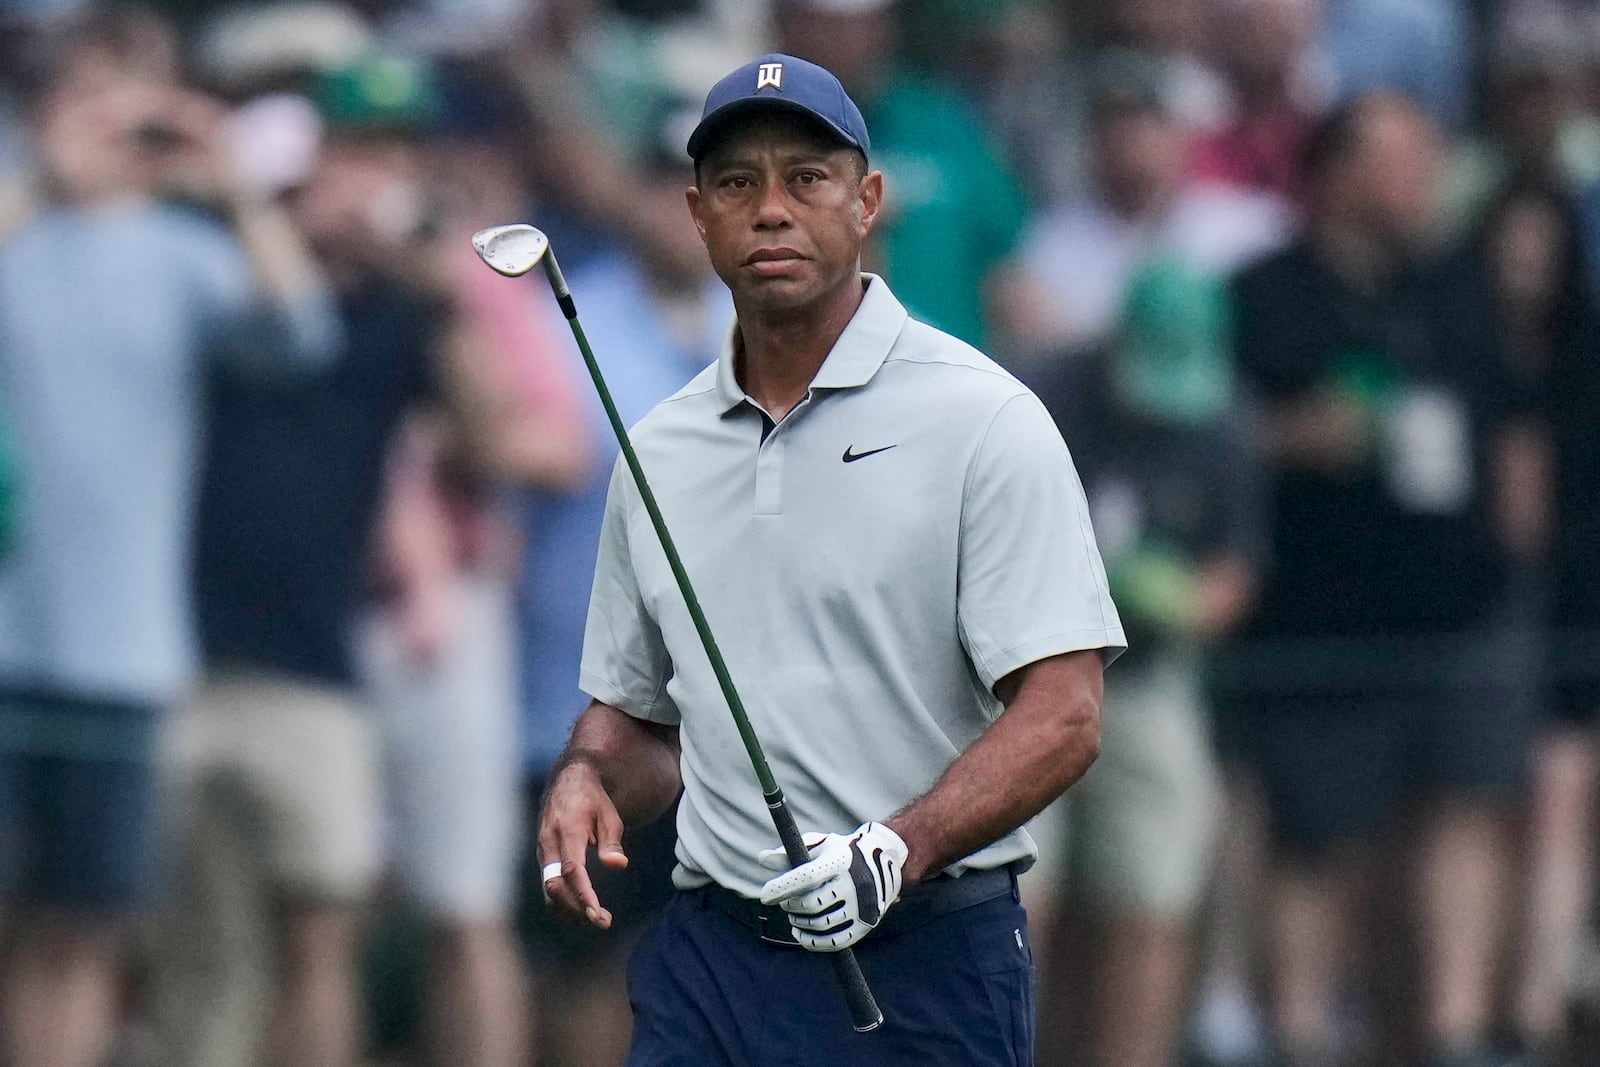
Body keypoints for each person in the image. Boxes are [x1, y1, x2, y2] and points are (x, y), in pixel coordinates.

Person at [536, 53, 1125, 1065]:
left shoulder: (982, 419)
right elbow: (640, 713)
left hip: (926, 950)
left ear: (867, 203)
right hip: (712, 957)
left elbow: (1064, 711)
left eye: (806, 179)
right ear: (697, 215)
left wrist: (900, 846)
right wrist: (589, 772)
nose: (770, 210)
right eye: (736, 184)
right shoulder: (662, 449)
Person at [0, 11, 339, 1067]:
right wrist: (39, 182)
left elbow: (304, 337)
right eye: (87, 93)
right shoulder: (17, 225)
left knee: (86, 927)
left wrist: (231, 185)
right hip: (9, 643)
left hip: (123, 652)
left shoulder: (184, 253)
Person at [1227, 92, 1542, 1067]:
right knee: (1314, 839)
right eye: (1399, 159)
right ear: (1335, 173)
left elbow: (1511, 414)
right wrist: (1294, 434)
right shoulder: (1265, 290)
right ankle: (1299, 1032)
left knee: (1464, 809)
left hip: (1459, 602)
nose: (1422, 179)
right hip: (1318, 618)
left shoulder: (1456, 285)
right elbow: (1209, 435)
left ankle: (1453, 1032)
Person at [153, 52, 446, 1067]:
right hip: (181, 658)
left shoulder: (393, 314)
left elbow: (515, 425)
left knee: (322, 939)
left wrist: (414, 255)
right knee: (199, 948)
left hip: (318, 665)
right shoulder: (205, 299)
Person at [512, 124, 726, 1067]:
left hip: (721, 725)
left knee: (694, 963)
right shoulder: (570, 321)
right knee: (586, 959)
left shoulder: (763, 328)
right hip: (572, 703)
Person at [1029, 257, 1263, 1067]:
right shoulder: (1047, 394)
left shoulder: (1228, 420)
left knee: (1152, 897)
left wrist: (1183, 599)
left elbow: (1236, 570)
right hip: (1025, 675)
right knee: (1017, 899)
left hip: (1150, 678)